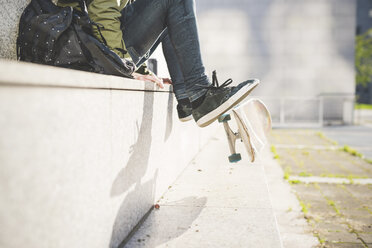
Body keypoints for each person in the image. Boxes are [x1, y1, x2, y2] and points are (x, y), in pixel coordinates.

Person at [58, 0, 259, 127]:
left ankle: (188, 98)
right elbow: (102, 12)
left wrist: (143, 68)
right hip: (85, 52)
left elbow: (129, 18)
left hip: (94, 47)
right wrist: (120, 64)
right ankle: (198, 95)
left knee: (171, 11)